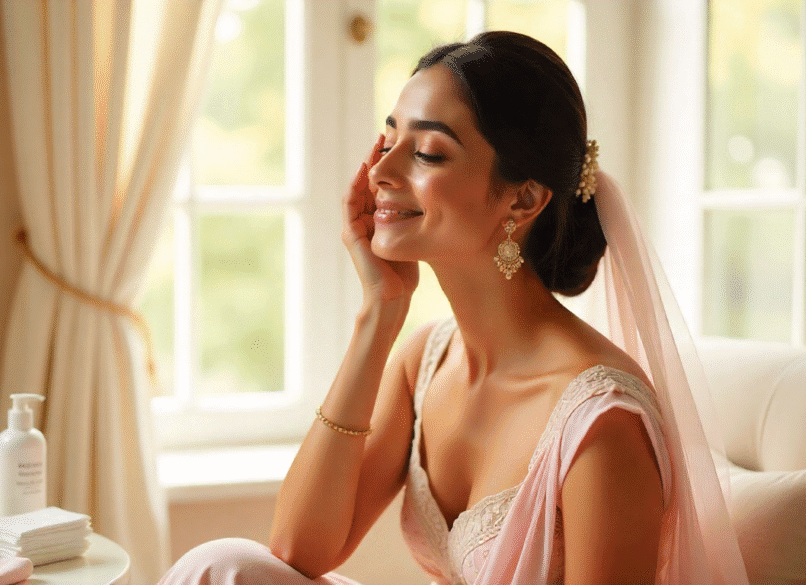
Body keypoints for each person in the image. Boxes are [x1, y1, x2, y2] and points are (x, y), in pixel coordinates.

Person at [158, 31, 749, 585]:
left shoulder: (602, 424)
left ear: (524, 198)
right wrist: (378, 315)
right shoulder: (427, 360)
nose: (381, 172)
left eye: (429, 153)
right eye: (387, 141)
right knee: (223, 568)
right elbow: (297, 549)